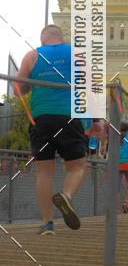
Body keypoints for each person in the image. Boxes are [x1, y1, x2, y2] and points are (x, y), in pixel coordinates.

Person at [16, 25, 88, 235]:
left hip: (41, 118)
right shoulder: (76, 53)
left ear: (43, 39)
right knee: (77, 167)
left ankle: (48, 223)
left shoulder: (32, 55)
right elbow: (89, 85)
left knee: (44, 172)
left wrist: (34, 84)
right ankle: (66, 195)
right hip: (68, 117)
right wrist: (94, 120)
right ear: (61, 37)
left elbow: (19, 87)